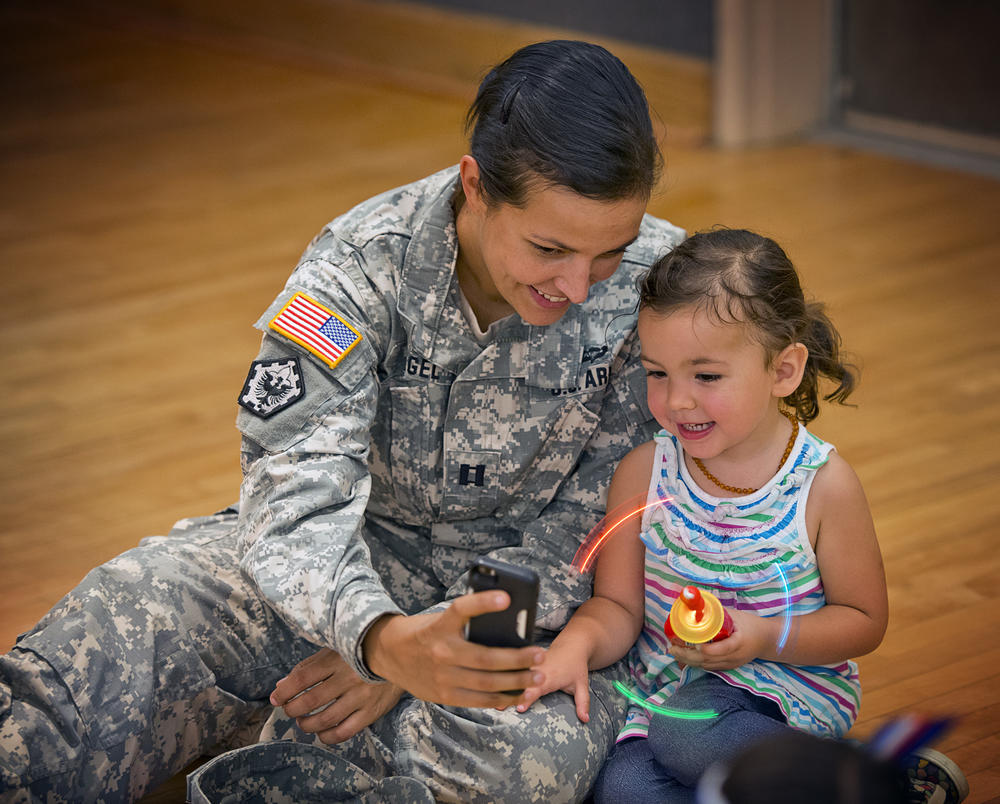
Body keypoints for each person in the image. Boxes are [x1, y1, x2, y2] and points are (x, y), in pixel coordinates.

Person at [0, 40, 686, 802]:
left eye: (607, 254)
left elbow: (596, 520)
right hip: (347, 560)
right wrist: (379, 640)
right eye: (549, 249)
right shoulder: (359, 267)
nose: (580, 287)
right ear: (477, 187)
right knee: (134, 614)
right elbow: (295, 496)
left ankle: (261, 752)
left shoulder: (661, 286)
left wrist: (421, 651)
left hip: (523, 605)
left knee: (525, 761)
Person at [517, 228, 892, 803]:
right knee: (621, 791)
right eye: (657, 373)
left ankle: (851, 783)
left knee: (688, 734)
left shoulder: (823, 486)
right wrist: (577, 641)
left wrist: (765, 635)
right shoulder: (644, 473)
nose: (677, 400)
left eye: (707, 376)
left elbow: (863, 619)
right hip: (664, 698)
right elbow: (617, 605)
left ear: (784, 371)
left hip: (781, 692)